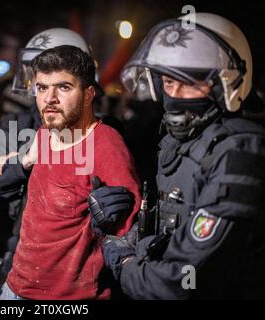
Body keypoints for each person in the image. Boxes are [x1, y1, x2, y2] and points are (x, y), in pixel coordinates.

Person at [90, 13, 265, 299]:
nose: (176, 94)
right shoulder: (176, 140)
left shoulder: (242, 151)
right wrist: (121, 225)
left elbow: (181, 281)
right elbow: (167, 225)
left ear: (228, 83)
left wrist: (124, 264)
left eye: (191, 83)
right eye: (169, 82)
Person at [1, 45, 141, 300]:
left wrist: (111, 225)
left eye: (64, 87)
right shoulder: (47, 131)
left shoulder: (106, 145)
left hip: (67, 298)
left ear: (89, 94)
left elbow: (130, 235)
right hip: (15, 287)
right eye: (42, 88)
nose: (49, 98)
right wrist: (20, 159)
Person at [0, 28, 101, 299]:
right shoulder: (17, 124)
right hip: (20, 251)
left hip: (76, 266)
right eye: (38, 74)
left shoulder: (101, 130)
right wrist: (24, 162)